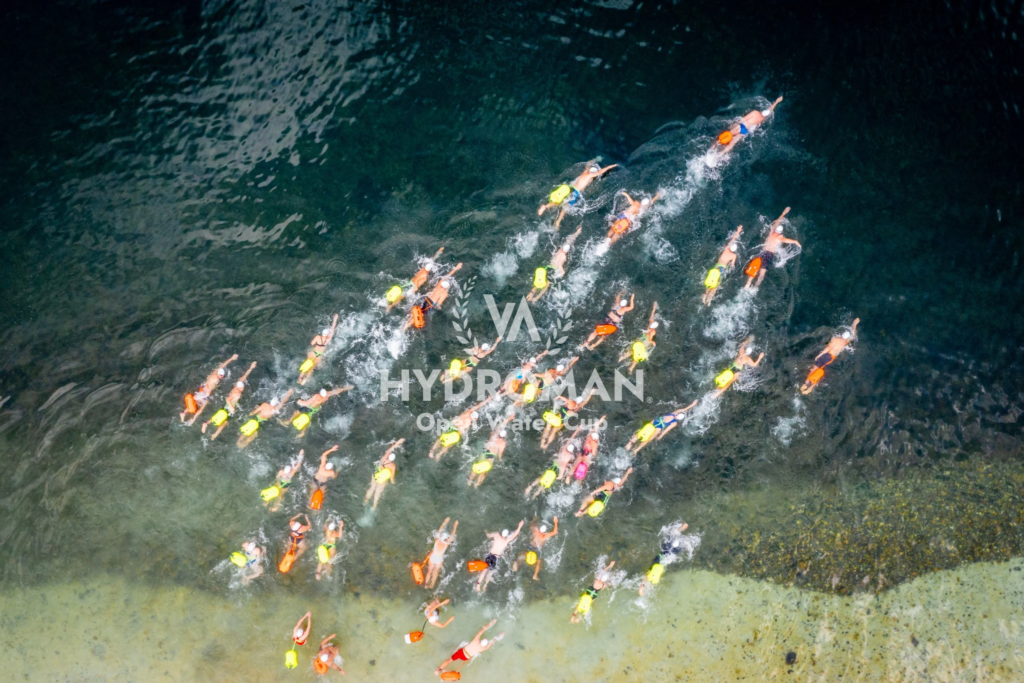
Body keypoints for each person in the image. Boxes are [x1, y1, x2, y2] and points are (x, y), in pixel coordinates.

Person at [538, 160, 617, 229]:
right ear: (594, 173)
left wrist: (594, 160)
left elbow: (588, 164)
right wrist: (611, 166)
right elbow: (600, 172)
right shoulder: (590, 176)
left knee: (564, 204)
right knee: (563, 205)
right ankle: (549, 211)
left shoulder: (586, 172)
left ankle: (554, 216)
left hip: (570, 187)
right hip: (574, 192)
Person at [743, 207, 801, 290]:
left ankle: (748, 283)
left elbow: (777, 221)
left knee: (756, 267)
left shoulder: (772, 231)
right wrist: (796, 242)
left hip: (762, 252)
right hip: (768, 255)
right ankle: (756, 286)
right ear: (780, 232)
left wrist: (783, 213)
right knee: (762, 273)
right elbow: (789, 240)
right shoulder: (780, 238)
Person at [800, 319, 860, 395]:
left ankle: (806, 385)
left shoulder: (835, 339)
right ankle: (809, 388)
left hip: (826, 356)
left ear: (842, 335)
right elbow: (853, 334)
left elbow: (827, 348)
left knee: (814, 370)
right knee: (818, 372)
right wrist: (855, 324)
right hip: (831, 358)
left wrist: (819, 355)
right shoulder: (845, 342)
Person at [201, 361, 257, 438]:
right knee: (225, 422)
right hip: (228, 407)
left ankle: (207, 423)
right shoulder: (237, 392)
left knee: (220, 416)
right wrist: (232, 408)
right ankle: (215, 434)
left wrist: (251, 367)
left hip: (226, 406)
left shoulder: (236, 386)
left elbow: (244, 377)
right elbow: (228, 399)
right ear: (242, 387)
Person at [710, 96, 783, 155]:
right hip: (744, 131)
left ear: (762, 111)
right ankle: (721, 154)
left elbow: (744, 119)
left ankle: (714, 145)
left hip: (742, 126)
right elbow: (771, 109)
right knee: (733, 142)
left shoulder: (755, 112)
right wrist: (777, 102)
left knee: (729, 134)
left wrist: (736, 123)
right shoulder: (762, 119)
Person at [527, 225, 583, 302]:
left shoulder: (559, 250)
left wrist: (576, 232)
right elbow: (561, 268)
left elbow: (569, 241)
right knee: (546, 286)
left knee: (540, 279)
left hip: (548, 267)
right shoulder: (564, 256)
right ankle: (536, 298)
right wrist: (561, 273)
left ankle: (531, 293)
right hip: (552, 271)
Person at [624, 400, 699, 455]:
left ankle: (629, 444)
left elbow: (684, 409)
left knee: (640, 432)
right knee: (647, 440)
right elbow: (666, 430)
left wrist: (692, 404)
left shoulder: (675, 412)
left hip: (655, 422)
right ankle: (636, 450)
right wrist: (661, 435)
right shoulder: (674, 423)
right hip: (658, 428)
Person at [428, 398, 493, 461]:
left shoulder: (468, 412)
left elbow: (478, 405)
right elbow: (460, 430)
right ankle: (439, 454)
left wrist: (487, 399)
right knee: (448, 444)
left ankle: (432, 451)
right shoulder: (468, 423)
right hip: (456, 433)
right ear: (475, 419)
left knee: (440, 439)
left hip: (452, 425)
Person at [181, 354, 238, 424]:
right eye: (222, 375)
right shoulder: (216, 379)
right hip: (205, 392)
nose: (222, 377)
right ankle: (193, 419)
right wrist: (208, 392)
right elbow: (209, 386)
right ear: (220, 375)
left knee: (195, 401)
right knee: (202, 408)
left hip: (202, 388)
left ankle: (184, 413)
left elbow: (222, 365)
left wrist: (231, 358)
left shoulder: (215, 372)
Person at [434, 620, 502, 677]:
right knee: (466, 656)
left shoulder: (476, 639)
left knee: (450, 660)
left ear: (481, 640)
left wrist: (492, 622)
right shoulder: (484, 648)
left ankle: (438, 670)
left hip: (461, 652)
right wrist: (500, 635)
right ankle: (451, 673)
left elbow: (483, 629)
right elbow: (493, 641)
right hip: (466, 658)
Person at [638, 523, 691, 596]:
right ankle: (680, 530)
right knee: (676, 542)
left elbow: (647, 575)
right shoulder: (673, 551)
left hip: (662, 556)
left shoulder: (666, 548)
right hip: (664, 557)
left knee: (650, 572)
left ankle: (681, 530)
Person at [405, 263, 463, 330]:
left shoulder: (439, 284)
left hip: (426, 299)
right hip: (430, 304)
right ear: (447, 287)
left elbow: (447, 275)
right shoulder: (445, 293)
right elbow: (439, 303)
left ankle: (408, 319)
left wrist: (456, 268)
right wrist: (439, 307)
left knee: (419, 310)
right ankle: (407, 325)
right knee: (421, 314)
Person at [284, 385, 354, 437]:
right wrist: (345, 388)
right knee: (308, 419)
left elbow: (307, 403)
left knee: (297, 412)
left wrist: (300, 401)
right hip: (315, 409)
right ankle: (303, 432)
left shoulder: (317, 396)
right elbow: (337, 391)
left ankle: (288, 421)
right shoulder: (327, 396)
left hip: (309, 408)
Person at [474, 521, 524, 593]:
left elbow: (488, 535)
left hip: (490, 555)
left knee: (484, 570)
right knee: (490, 572)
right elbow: (515, 534)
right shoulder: (506, 540)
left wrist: (486, 532)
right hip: (496, 558)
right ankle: (485, 584)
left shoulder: (496, 535)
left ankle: (478, 585)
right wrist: (519, 526)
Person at [702, 226, 744, 306]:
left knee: (711, 280)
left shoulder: (726, 249)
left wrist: (738, 231)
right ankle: (709, 300)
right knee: (716, 285)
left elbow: (732, 239)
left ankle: (705, 294)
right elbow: (732, 265)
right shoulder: (733, 256)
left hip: (716, 266)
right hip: (722, 269)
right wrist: (731, 266)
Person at [468, 415, 513, 488]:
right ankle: (477, 484)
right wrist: (500, 460)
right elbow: (500, 454)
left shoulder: (494, 435)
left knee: (478, 465)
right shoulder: (502, 443)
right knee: (483, 472)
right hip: (490, 456)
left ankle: (470, 480)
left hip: (485, 452)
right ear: (504, 437)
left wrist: (509, 418)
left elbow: (500, 425)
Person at [299, 314, 339, 385]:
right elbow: (332, 329)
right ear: (327, 334)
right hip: (319, 355)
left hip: (313, 352)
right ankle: (305, 380)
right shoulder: (328, 339)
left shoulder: (318, 337)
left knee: (307, 363)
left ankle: (300, 378)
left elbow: (312, 343)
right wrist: (335, 319)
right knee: (312, 368)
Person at [618, 303, 658, 374]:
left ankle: (621, 358)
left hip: (641, 338)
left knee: (632, 349)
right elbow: (649, 339)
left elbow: (651, 316)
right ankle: (631, 368)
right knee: (638, 355)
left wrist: (654, 308)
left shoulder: (650, 325)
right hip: (645, 342)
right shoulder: (653, 331)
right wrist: (653, 342)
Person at [364, 439, 404, 509]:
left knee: (372, 488)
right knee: (377, 493)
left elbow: (390, 450)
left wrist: (398, 443)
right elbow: (391, 478)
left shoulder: (384, 457)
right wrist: (394, 483)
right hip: (382, 481)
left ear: (389, 456)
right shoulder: (393, 466)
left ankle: (365, 501)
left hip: (376, 474)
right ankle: (374, 506)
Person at [424, 517, 458, 589]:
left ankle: (426, 585)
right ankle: (432, 584)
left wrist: (445, 522)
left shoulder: (437, 540)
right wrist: (455, 526)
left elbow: (440, 529)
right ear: (446, 539)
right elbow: (453, 534)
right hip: (439, 559)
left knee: (429, 571)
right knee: (435, 572)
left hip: (433, 557)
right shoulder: (446, 544)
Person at [309, 445, 340, 510]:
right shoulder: (331, 472)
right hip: (322, 483)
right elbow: (334, 477)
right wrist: (337, 471)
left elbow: (324, 455)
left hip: (315, 480)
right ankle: (318, 506)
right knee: (322, 494)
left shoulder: (322, 466)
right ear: (331, 468)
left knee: (311, 493)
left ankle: (310, 504)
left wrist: (332, 449)